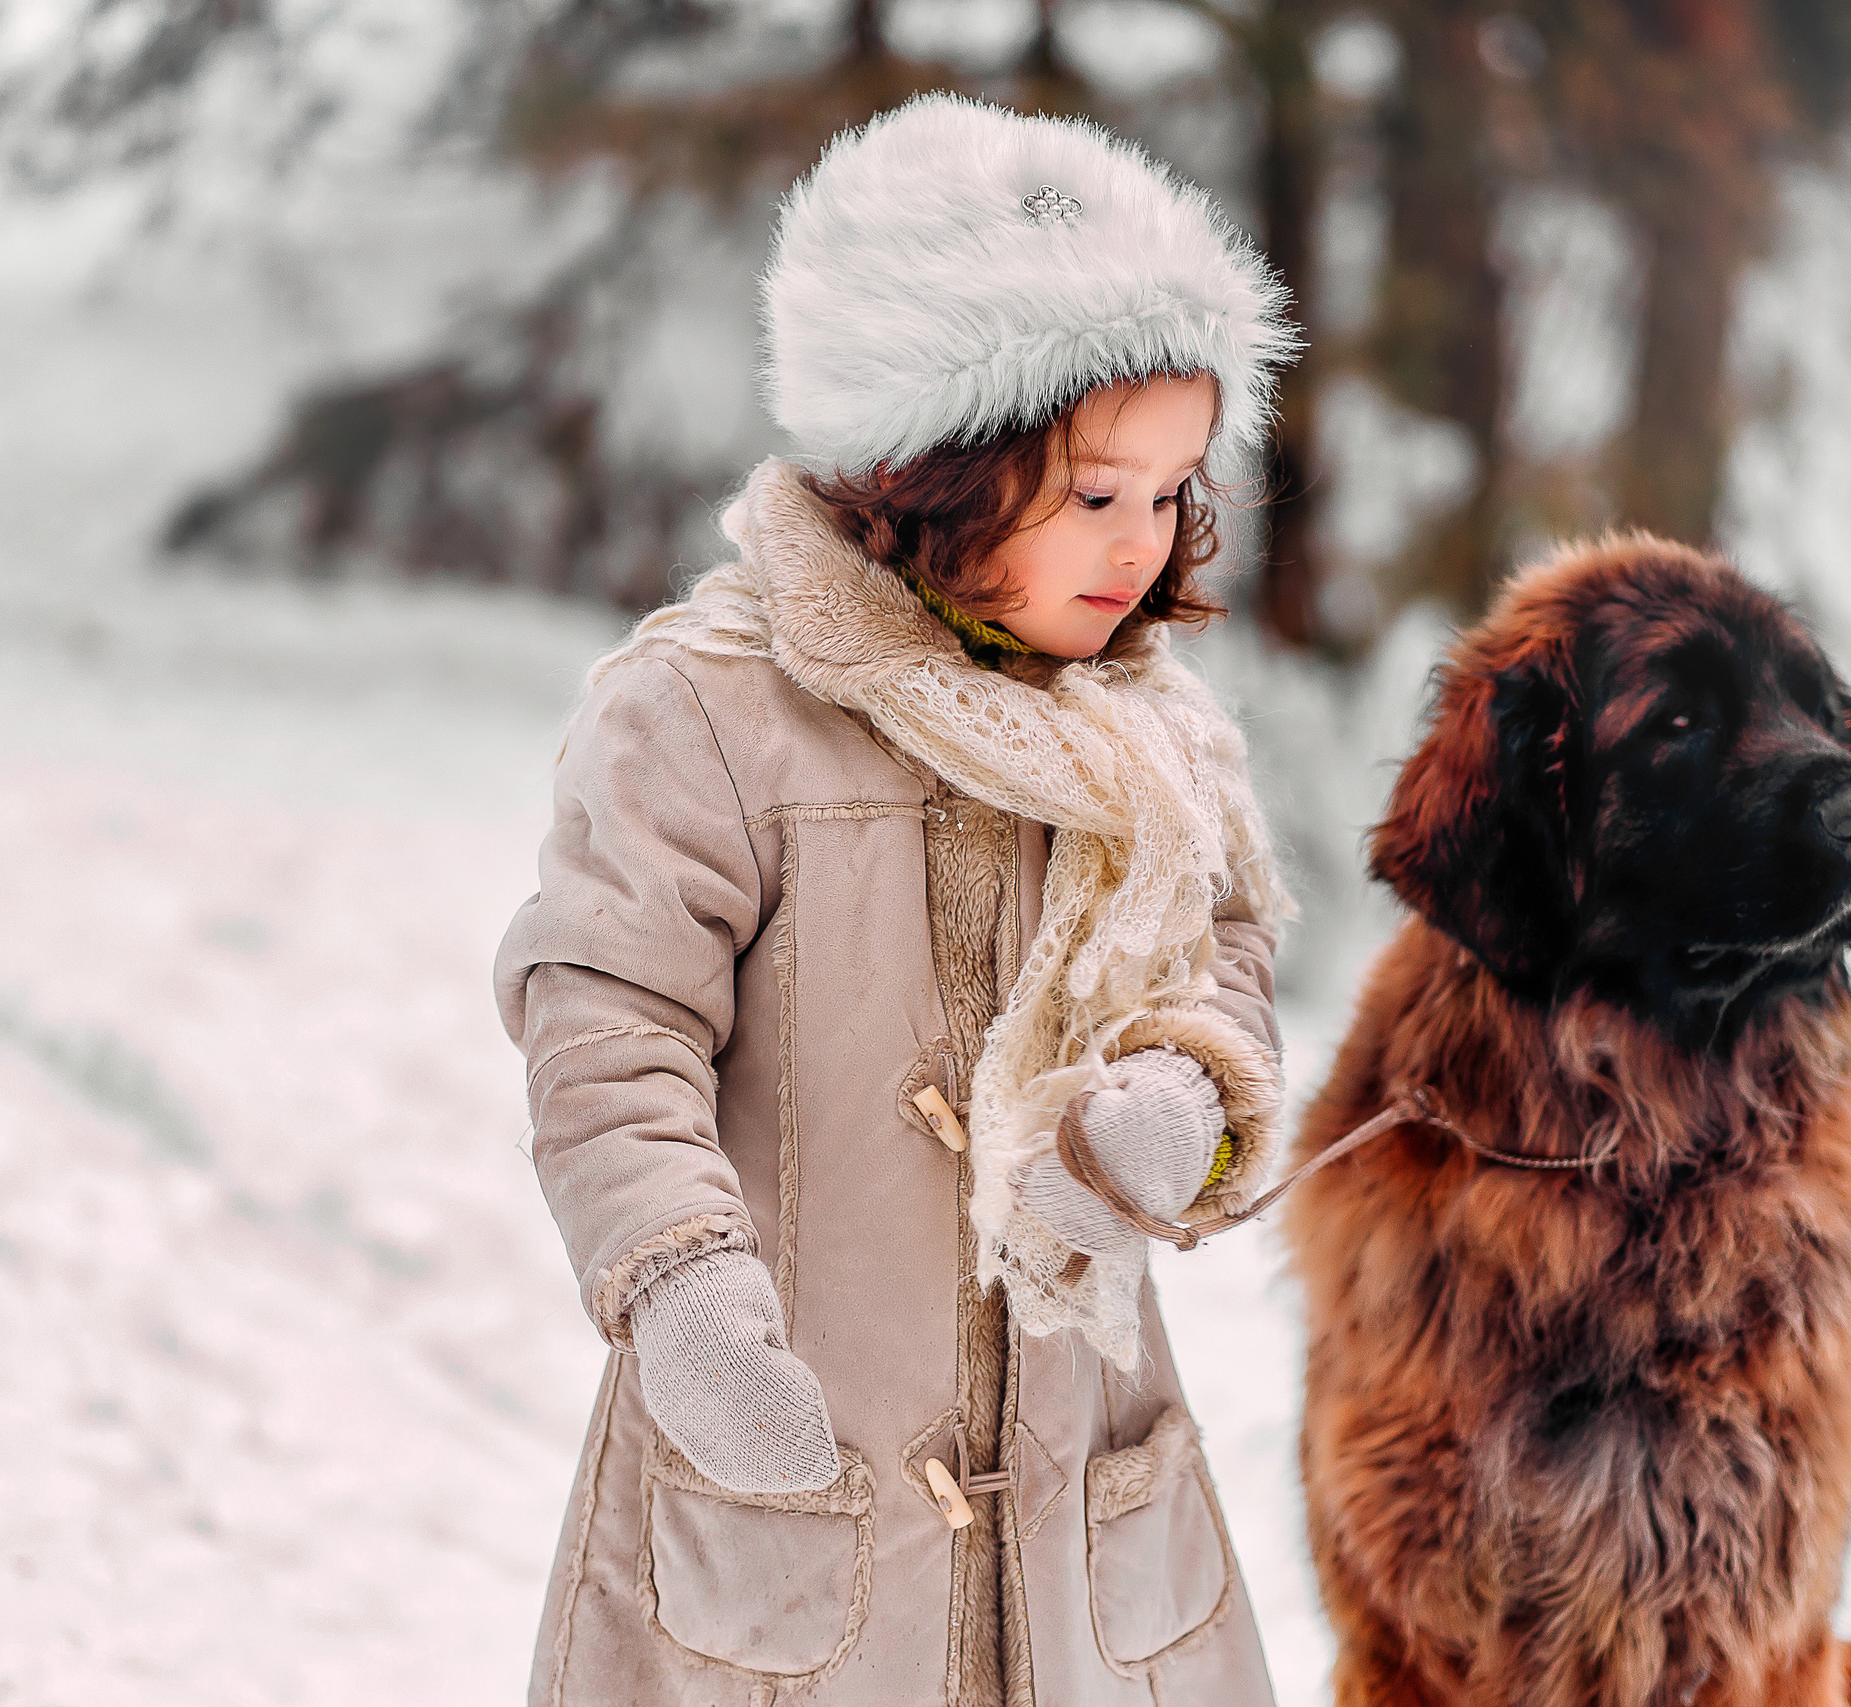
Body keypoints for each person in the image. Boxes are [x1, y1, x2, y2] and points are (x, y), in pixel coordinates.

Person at [494, 92, 1300, 1707]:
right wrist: (681, 1289)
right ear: (923, 464)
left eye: (1170, 493)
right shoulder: (711, 713)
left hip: (1078, 1537)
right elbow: (608, 1023)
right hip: (790, 1507)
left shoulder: (1150, 744)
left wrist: (1188, 1087)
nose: (1141, 546)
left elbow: (1220, 959)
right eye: (1094, 494)